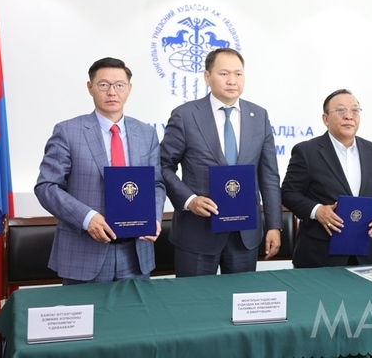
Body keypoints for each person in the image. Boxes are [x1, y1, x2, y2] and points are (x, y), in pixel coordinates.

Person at [35, 57, 166, 285]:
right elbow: (47, 187)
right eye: (103, 84)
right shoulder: (68, 131)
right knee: (86, 310)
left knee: (134, 309)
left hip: (136, 254)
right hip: (84, 252)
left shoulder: (146, 133)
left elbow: (156, 184)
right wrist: (87, 218)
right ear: (90, 87)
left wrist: (153, 217)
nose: (112, 92)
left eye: (119, 85)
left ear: (129, 88)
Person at [160, 48, 282, 277]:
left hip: (244, 235)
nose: (232, 81)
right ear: (207, 77)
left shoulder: (259, 116)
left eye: (238, 74)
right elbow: (163, 165)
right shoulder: (186, 115)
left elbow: (269, 176)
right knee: (194, 299)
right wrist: (189, 200)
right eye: (224, 73)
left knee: (240, 298)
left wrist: (274, 225)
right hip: (197, 232)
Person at [281, 89, 372, 268]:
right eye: (340, 110)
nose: (349, 116)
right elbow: (288, 193)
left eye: (354, 110)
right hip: (319, 255)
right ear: (325, 119)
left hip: (364, 251)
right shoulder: (307, 151)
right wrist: (317, 210)